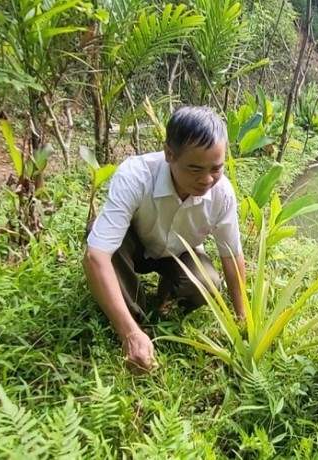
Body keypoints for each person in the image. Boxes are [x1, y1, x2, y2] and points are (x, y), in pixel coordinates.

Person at [83, 105, 246, 374]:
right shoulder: (135, 176)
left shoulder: (222, 194)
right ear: (169, 153)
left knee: (206, 282)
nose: (206, 179)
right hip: (133, 245)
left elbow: (231, 255)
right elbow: (96, 256)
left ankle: (167, 297)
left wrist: (243, 320)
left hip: (179, 250)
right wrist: (129, 334)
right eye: (194, 168)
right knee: (100, 240)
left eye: (216, 168)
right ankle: (133, 322)